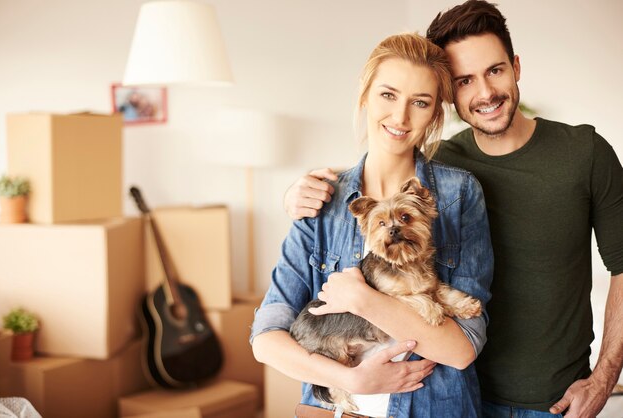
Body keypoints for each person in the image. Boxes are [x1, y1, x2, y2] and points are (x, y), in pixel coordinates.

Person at [283, 1, 623, 417]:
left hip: (551, 400)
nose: (484, 93)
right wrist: (296, 194)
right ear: (449, 93)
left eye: (495, 70)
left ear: (516, 66)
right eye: (464, 80)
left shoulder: (581, 153)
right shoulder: (441, 171)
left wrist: (604, 377)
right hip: (452, 392)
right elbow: (375, 182)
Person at [251, 33, 494, 418]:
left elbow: (461, 349)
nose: (400, 117)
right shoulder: (320, 199)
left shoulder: (458, 194)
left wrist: (364, 300)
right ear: (364, 95)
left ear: (434, 114)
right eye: (388, 95)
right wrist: (352, 380)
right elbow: (265, 340)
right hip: (334, 411)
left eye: (420, 102)